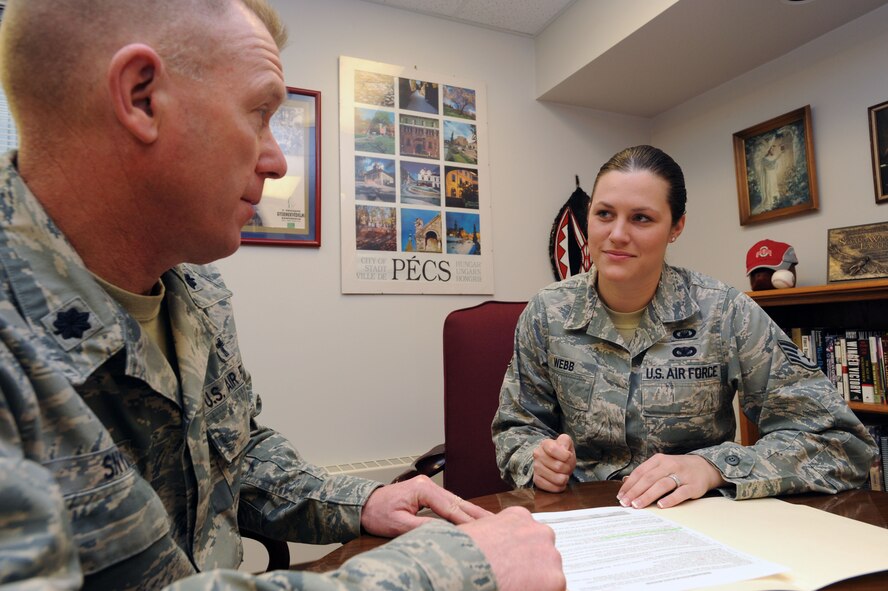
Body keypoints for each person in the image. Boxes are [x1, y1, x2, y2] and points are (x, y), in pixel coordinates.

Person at [0, 1, 564, 590]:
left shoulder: (196, 293)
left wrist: (364, 500)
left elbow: (235, 460)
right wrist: (454, 571)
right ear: (142, 98)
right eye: (260, 113)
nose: (275, 159)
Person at [492, 145, 877, 511]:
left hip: (695, 520)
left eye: (641, 218)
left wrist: (714, 467)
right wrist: (534, 459)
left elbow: (840, 444)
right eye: (604, 214)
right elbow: (516, 429)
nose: (617, 234)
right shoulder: (546, 312)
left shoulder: (725, 313)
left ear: (676, 227)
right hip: (582, 520)